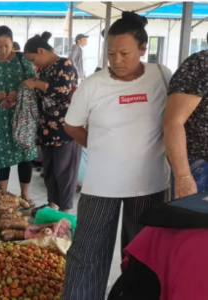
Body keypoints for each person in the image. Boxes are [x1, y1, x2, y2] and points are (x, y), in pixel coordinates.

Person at [62, 12, 171, 300]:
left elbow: (174, 120)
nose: (117, 60)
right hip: (102, 184)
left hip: (149, 182)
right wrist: (100, 145)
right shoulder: (93, 85)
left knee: (143, 253)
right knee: (87, 252)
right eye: (111, 53)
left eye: (124, 53)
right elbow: (72, 126)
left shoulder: (161, 76)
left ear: (143, 49)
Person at [23, 32, 81, 213]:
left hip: (66, 130)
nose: (34, 65)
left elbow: (62, 90)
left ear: (41, 51)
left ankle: (64, 212)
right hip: (47, 129)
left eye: (33, 59)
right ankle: (52, 205)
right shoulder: (43, 70)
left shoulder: (65, 65)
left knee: (65, 172)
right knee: (50, 171)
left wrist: (36, 84)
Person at [0, 25, 37, 206]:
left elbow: (33, 82)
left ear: (12, 43)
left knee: (25, 154)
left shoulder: (22, 60)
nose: (3, 50)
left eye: (6, 45)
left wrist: (18, 92)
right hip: (1, 117)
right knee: (2, 156)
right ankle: (3, 194)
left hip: (22, 116)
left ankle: (25, 195)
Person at [163, 32, 208, 200]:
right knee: (195, 224)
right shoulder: (200, 65)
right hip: (200, 166)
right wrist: (183, 177)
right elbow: (173, 122)